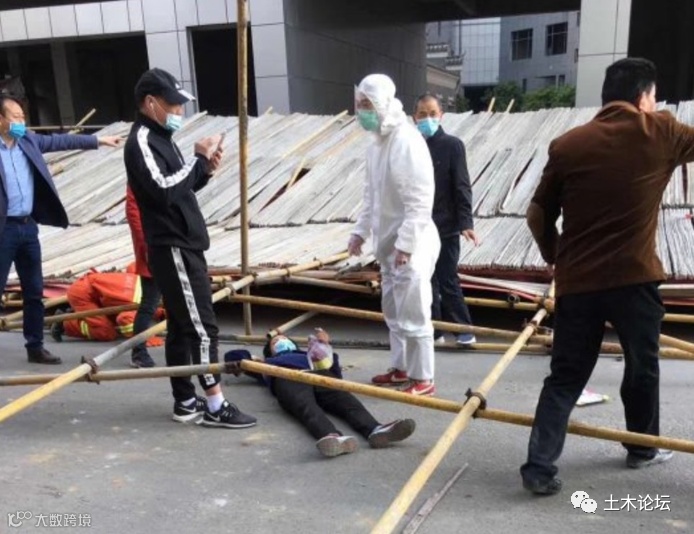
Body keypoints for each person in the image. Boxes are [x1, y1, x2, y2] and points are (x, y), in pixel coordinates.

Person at [520, 58, 694, 495]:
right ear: (643, 97)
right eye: (654, 96)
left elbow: (537, 214)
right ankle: (641, 448)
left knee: (565, 376)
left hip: (578, 282)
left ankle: (539, 467)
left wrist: (556, 256)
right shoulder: (661, 131)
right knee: (642, 367)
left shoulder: (567, 145)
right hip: (635, 279)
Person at [124, 68, 256, 428]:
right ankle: (215, 403)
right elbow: (162, 190)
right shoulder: (141, 141)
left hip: (184, 241)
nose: (179, 111)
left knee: (183, 326)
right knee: (202, 326)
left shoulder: (161, 138)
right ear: (151, 103)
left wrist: (204, 170)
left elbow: (178, 189)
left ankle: (184, 400)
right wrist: (197, 161)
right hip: (172, 245)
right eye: (173, 104)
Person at [0, 92, 122, 364]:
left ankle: (35, 346)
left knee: (34, 291)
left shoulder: (28, 140)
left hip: (27, 227)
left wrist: (98, 141)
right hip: (3, 230)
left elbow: (60, 140)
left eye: (23, 117)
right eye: (16, 117)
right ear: (0, 120)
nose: (21, 122)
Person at [348, 74, 440, 397]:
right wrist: (360, 233)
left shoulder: (406, 141)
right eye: (360, 104)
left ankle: (423, 377)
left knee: (414, 311)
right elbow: (371, 196)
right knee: (394, 311)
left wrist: (407, 245)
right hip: (388, 244)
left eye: (367, 104)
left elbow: (420, 199)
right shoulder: (376, 144)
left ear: (383, 104)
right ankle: (401, 368)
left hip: (412, 243)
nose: (362, 111)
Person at [225, 329, 416, 457]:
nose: (281, 341)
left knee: (346, 400)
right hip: (286, 377)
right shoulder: (267, 365)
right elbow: (233, 357)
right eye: (276, 342)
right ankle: (332, 437)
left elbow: (335, 372)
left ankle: (375, 430)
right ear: (270, 351)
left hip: (319, 374)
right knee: (306, 408)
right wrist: (252, 359)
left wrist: (324, 347)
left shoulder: (308, 355)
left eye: (284, 339)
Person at [413, 94, 478, 346]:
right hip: (420, 226)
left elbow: (462, 185)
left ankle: (464, 330)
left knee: (448, 278)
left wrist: (466, 224)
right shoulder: (412, 146)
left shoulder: (452, 145)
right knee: (426, 281)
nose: (427, 118)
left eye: (432, 114)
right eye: (422, 114)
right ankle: (434, 330)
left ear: (441, 115)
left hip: (446, 225)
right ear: (414, 117)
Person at [50, 269, 165, 345]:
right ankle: (65, 323)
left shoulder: (148, 282)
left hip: (93, 291)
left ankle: (78, 315)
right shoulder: (140, 301)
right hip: (83, 294)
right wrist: (147, 338)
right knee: (106, 333)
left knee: (114, 318)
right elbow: (125, 319)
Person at [125, 184, 160, 368]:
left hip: (168, 242)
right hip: (152, 248)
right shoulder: (139, 174)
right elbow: (134, 214)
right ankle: (138, 352)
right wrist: (147, 247)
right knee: (149, 303)